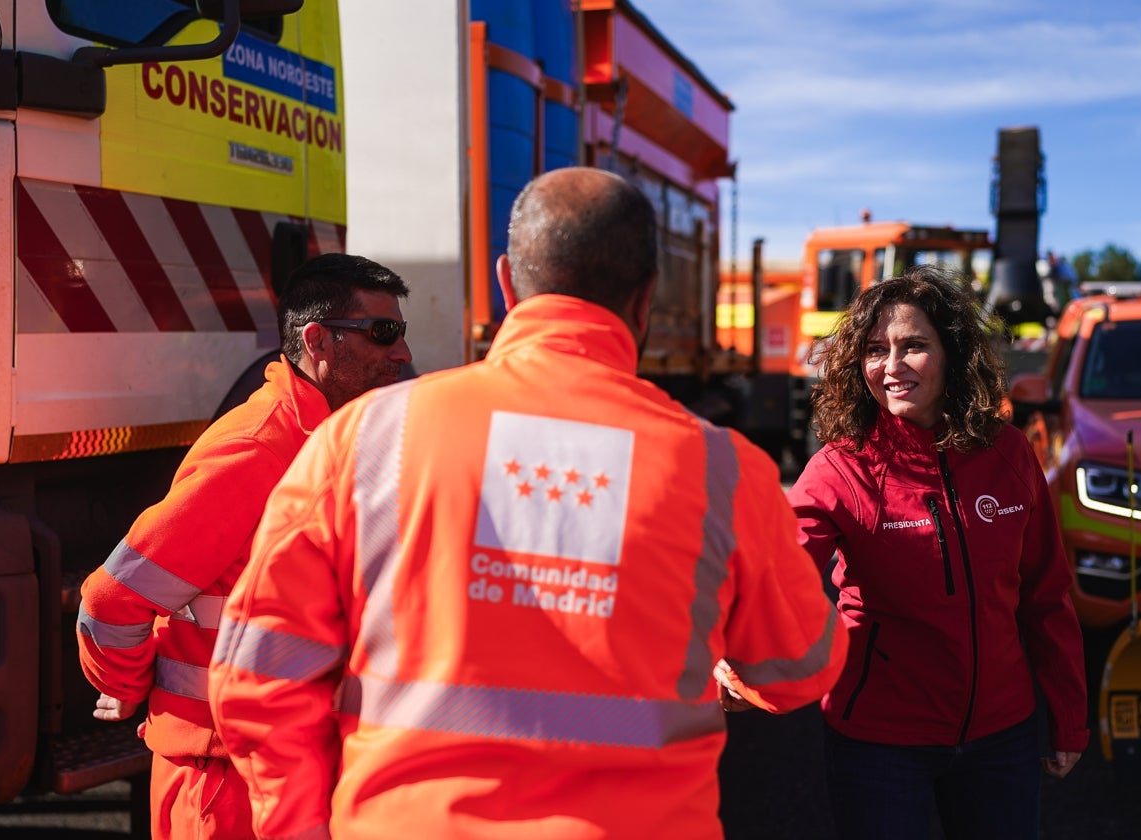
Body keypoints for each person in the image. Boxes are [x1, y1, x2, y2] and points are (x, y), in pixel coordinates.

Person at [207, 166, 847, 839]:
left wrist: (303, 827)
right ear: (647, 297)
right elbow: (801, 667)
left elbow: (258, 676)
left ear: (507, 281)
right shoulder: (724, 470)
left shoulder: (365, 439)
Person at [77, 253, 412, 839]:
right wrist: (127, 689)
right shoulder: (258, 451)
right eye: (383, 333)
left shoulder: (327, 439)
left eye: (400, 333)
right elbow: (111, 600)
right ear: (319, 341)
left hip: (281, 773)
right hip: (222, 787)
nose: (402, 353)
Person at [787, 264, 1088, 840]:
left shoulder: (1009, 453)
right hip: (880, 742)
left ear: (952, 353)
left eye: (914, 346)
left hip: (1002, 736)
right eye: (875, 350)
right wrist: (740, 653)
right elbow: (781, 568)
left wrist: (1068, 717)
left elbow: (1047, 594)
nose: (892, 367)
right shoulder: (841, 468)